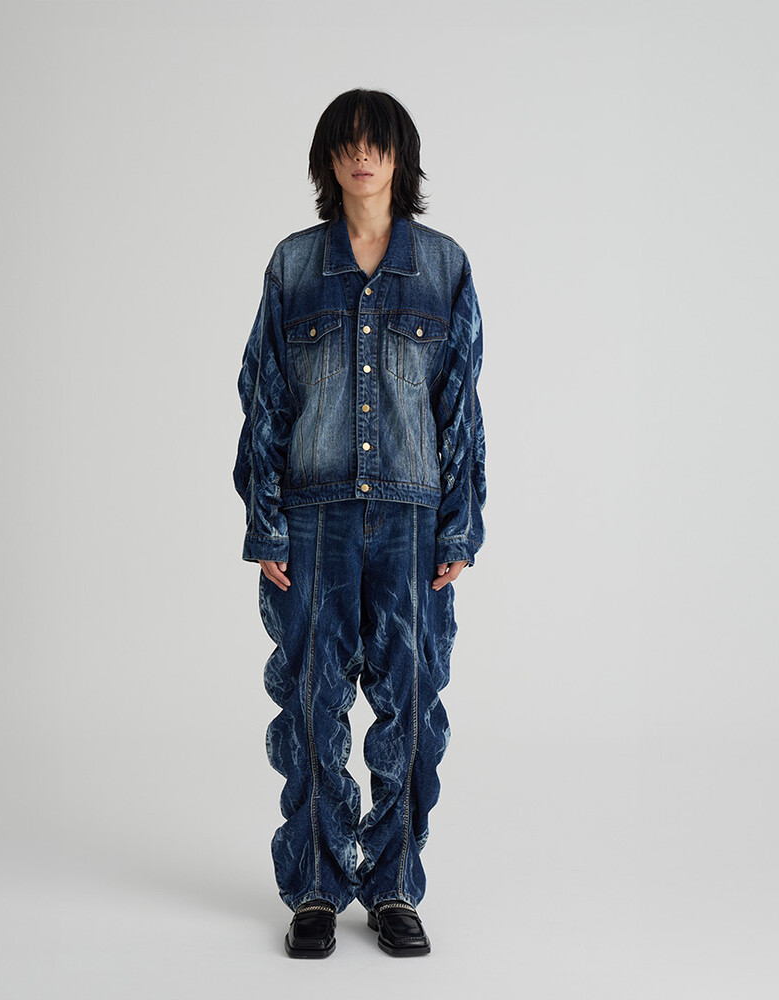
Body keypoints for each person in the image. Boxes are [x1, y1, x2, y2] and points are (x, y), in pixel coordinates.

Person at [232, 88, 487, 958]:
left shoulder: (444, 267)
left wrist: (459, 528)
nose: (361, 156)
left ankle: (393, 887)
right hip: (314, 521)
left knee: (410, 707)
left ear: (399, 156)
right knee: (311, 703)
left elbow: (461, 407)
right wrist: (266, 523)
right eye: (345, 143)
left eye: (376, 142)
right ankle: (313, 884)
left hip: (414, 523)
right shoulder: (294, 265)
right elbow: (265, 398)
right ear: (327, 160)